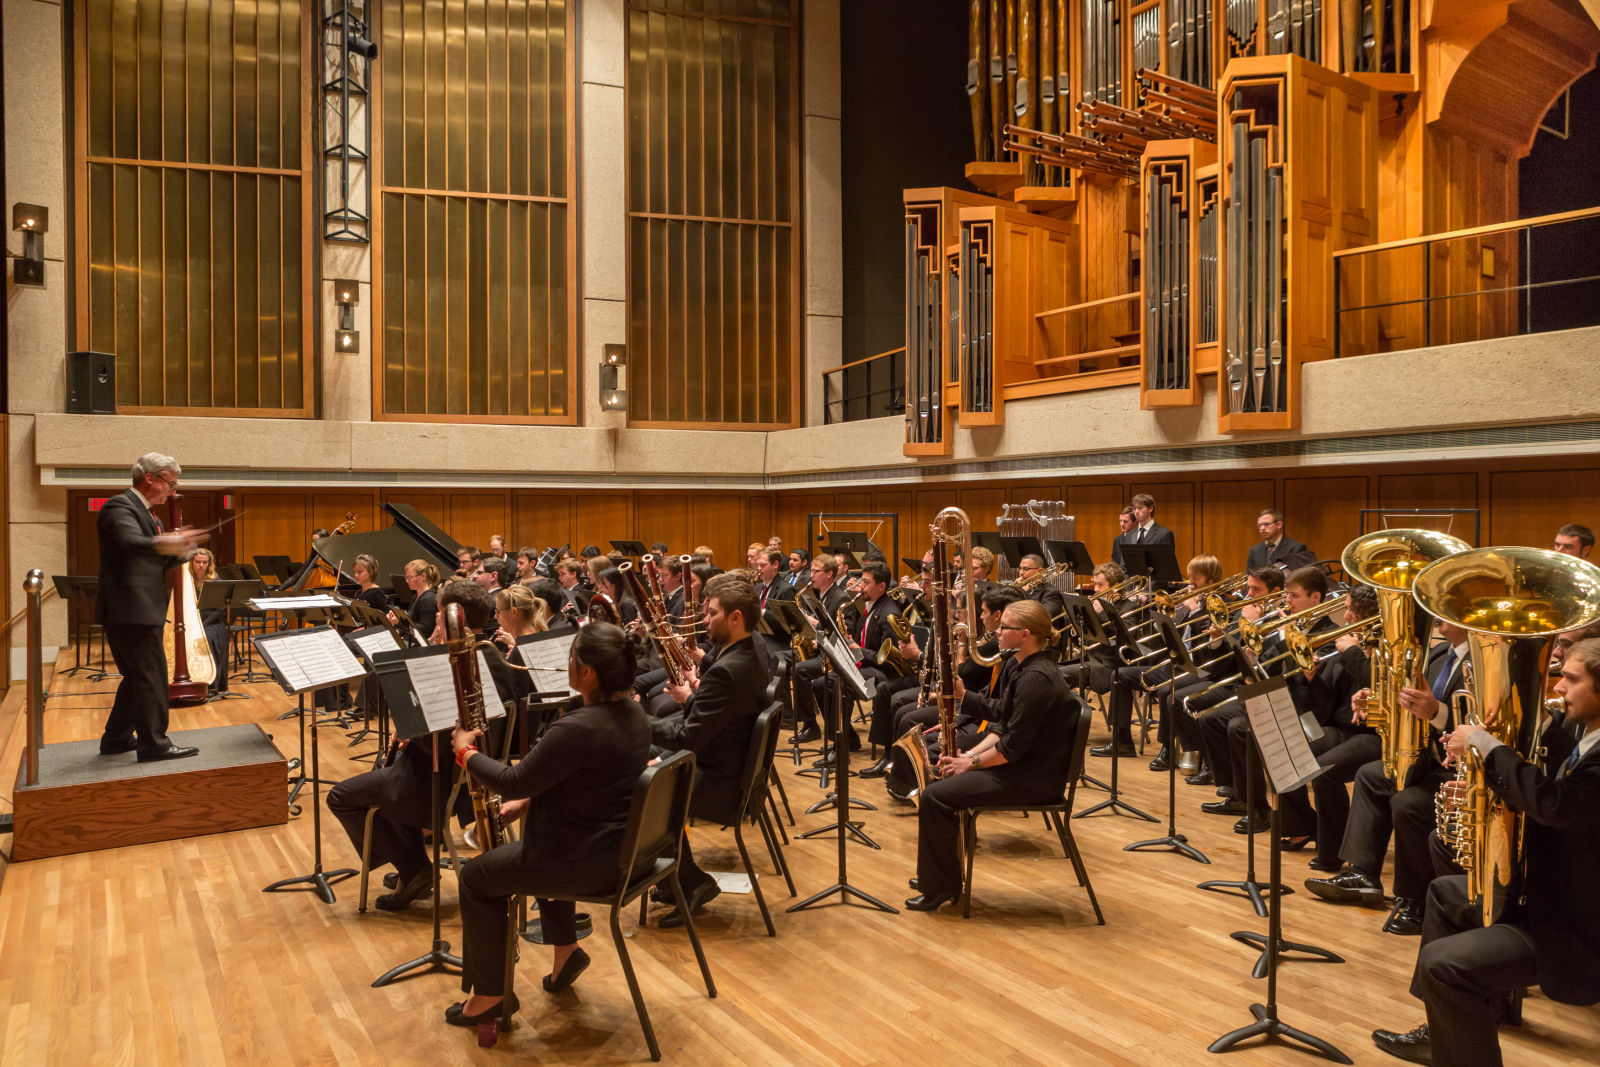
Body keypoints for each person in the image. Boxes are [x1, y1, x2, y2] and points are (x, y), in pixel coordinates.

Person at [1370, 637, 1600, 1067]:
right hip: (1552, 894)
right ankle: (1448, 1026)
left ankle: (1456, 1028)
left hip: (1575, 926)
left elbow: (1557, 805)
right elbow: (1557, 788)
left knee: (1442, 964)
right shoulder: (1586, 734)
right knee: (1444, 892)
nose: (1558, 687)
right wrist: (1484, 790)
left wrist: (1486, 745)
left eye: (1571, 679)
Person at [444, 622, 653, 1029]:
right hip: (624, 852)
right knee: (541, 844)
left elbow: (512, 780)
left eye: (571, 657)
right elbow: (586, 779)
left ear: (586, 672)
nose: (566, 663)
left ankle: (490, 996)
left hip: (586, 861)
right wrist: (528, 801)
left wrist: (465, 752)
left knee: (475, 878)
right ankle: (566, 953)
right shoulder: (633, 713)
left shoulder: (576, 727)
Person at [328, 581, 525, 915]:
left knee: (341, 796)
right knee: (385, 778)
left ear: (454, 618)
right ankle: (411, 865)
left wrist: (409, 731)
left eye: (440, 612)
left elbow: (431, 740)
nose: (435, 616)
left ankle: (414, 868)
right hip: (474, 775)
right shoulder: (496, 657)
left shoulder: (451, 663)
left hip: (436, 780)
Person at [905, 600, 1081, 911]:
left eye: (1004, 627)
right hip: (1019, 766)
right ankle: (939, 875)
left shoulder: (1037, 678)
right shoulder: (1020, 665)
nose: (997, 632)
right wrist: (968, 754)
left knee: (935, 796)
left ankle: (940, 888)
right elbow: (1002, 723)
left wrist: (969, 763)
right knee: (940, 780)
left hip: (1032, 779)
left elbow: (1011, 748)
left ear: (1025, 634)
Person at [648, 576, 768, 928]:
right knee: (644, 757)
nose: (704, 620)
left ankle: (690, 881)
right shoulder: (754, 646)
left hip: (721, 781)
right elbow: (718, 717)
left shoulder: (728, 670)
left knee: (643, 790)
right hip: (730, 762)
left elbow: (689, 736)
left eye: (711, 613)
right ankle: (671, 876)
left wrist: (634, 724)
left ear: (735, 618)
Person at [97, 452, 207, 762]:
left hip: (140, 608)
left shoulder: (151, 517)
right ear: (150, 478)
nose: (172, 491)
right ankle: (154, 744)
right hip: (129, 609)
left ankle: (117, 738)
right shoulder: (119, 507)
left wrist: (185, 550)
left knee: (137, 677)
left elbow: (153, 561)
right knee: (151, 678)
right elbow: (131, 543)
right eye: (170, 484)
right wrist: (169, 542)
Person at [189, 547, 231, 699]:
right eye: (198, 562)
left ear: (209, 563)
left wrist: (201, 625)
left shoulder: (215, 580)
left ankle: (212, 683)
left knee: (207, 636)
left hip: (211, 623)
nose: (201, 565)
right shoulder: (187, 580)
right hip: (191, 621)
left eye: (204, 562)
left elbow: (219, 610)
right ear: (191, 563)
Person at [1110, 493, 1175, 569]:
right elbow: (1124, 566)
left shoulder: (1164, 534)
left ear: (1150, 508)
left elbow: (1166, 566)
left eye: (1140, 508)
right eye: (1135, 509)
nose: (1136, 512)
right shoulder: (1129, 535)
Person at [1246, 509, 1316, 572]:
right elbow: (1249, 576)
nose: (1262, 528)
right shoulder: (1254, 550)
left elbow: (1299, 576)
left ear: (1279, 524)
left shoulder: (1296, 548)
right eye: (1259, 525)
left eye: (1266, 524)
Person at [392, 559, 440, 640]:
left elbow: (426, 630)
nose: (407, 581)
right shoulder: (416, 596)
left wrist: (400, 622)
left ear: (423, 576)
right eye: (406, 578)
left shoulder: (429, 600)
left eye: (410, 577)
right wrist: (399, 631)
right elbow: (412, 622)